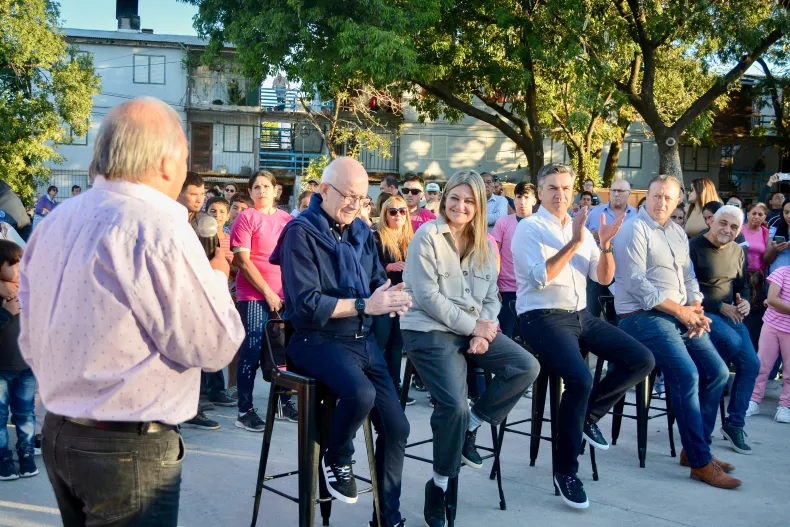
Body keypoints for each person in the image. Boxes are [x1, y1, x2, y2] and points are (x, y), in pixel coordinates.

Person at [19, 97, 244, 525]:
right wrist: (217, 278)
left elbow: (31, 337)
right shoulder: (158, 226)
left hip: (62, 432)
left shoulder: (56, 222)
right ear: (166, 162)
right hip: (126, 448)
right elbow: (214, 346)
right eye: (185, 158)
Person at [270, 157, 411, 527]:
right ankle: (338, 455)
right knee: (360, 393)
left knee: (398, 427)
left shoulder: (361, 231)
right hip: (314, 338)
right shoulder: (301, 232)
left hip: (361, 339)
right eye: (349, 196)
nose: (355, 205)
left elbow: (377, 280)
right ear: (324, 190)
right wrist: (366, 304)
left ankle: (387, 518)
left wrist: (392, 297)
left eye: (362, 198)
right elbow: (306, 305)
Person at [400, 169, 539, 525]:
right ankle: (439, 485)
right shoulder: (427, 236)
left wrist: (483, 331)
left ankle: (472, 427)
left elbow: (492, 297)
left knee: (525, 367)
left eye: (469, 201)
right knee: (453, 405)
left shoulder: (485, 245)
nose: (460, 206)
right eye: (454, 198)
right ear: (444, 199)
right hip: (429, 329)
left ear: (479, 205)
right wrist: (474, 327)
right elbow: (428, 297)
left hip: (472, 329)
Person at [513, 163, 654, 509]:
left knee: (642, 359)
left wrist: (604, 246)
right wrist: (575, 241)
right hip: (540, 316)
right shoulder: (529, 228)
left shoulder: (582, 229)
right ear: (540, 192)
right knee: (579, 379)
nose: (560, 194)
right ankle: (565, 471)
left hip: (580, 315)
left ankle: (588, 416)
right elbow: (539, 278)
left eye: (565, 188)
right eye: (552, 188)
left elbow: (603, 278)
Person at [613, 175, 740, 489]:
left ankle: (694, 449)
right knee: (687, 374)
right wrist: (681, 312)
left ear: (677, 202)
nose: (661, 203)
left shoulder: (677, 233)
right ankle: (701, 462)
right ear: (647, 196)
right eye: (656, 196)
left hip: (678, 315)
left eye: (668, 198)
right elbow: (638, 285)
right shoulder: (634, 228)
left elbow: (689, 277)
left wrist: (695, 307)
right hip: (641, 317)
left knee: (718, 372)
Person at [689, 206, 760, 454]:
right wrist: (719, 306)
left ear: (739, 231)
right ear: (711, 222)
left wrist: (745, 302)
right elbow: (686, 290)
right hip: (702, 312)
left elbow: (742, 286)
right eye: (723, 223)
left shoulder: (738, 251)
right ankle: (700, 427)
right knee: (728, 346)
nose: (727, 230)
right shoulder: (693, 247)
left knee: (752, 364)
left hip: (730, 314)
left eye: (733, 227)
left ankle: (734, 424)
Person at [230, 171, 294, 430]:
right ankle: (244, 410)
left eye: (267, 186)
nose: (262, 191)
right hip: (254, 296)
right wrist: (267, 293)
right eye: (256, 187)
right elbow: (242, 261)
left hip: (283, 296)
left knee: (282, 352)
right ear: (250, 192)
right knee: (252, 351)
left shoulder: (287, 220)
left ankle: (283, 404)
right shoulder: (246, 217)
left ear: (276, 190)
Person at [372, 194, 415, 405]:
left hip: (404, 298)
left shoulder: (412, 238)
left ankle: (394, 387)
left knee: (397, 345)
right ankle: (378, 386)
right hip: (383, 297)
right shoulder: (377, 236)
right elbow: (368, 267)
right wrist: (388, 267)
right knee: (380, 342)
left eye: (402, 211)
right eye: (393, 211)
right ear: (385, 214)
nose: (398, 215)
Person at [0, 241, 35, 481]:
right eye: (13, 263)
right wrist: (6, 312)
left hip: (26, 366)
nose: (19, 267)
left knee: (25, 415)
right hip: (1, 368)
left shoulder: (27, 289)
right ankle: (4, 461)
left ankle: (27, 458)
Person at [585, 179, 638, 317]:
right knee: (591, 313)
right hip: (598, 269)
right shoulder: (595, 212)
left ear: (629, 193)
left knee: (619, 315)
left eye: (620, 191)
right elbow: (582, 236)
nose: (616, 194)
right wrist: (591, 235)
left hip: (625, 272)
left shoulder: (636, 215)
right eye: (613, 190)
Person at [491, 182, 536, 338]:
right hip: (507, 288)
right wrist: (493, 284)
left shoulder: (541, 224)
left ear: (534, 200)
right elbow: (493, 254)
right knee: (506, 335)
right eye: (519, 197)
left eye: (526, 197)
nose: (522, 202)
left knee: (531, 338)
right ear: (514, 199)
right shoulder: (503, 222)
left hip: (533, 289)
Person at [748, 265, 790, 424]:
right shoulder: (782, 272)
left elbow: (773, 301)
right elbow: (772, 299)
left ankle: (785, 406)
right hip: (771, 326)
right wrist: (774, 302)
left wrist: (777, 304)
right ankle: (753, 400)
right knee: (762, 366)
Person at [742, 202, 771, 349]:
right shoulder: (739, 230)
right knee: (742, 311)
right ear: (747, 214)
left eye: (760, 214)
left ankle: (754, 349)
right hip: (741, 276)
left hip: (759, 278)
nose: (756, 217)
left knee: (757, 314)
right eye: (754, 213)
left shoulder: (766, 232)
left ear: (765, 217)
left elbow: (767, 257)